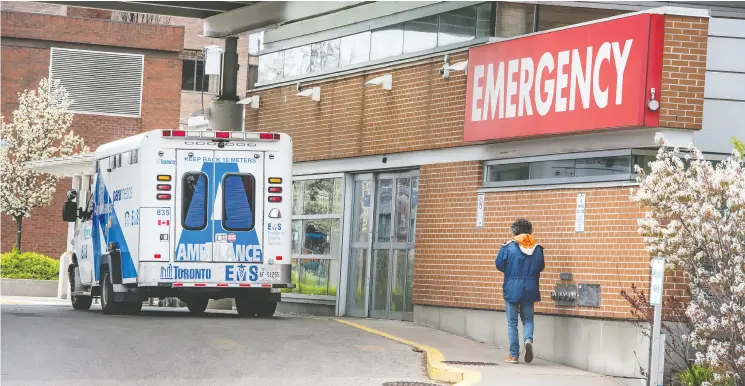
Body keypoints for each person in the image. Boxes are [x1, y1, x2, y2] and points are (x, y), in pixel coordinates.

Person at [495, 218, 545, 364]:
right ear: (530, 232)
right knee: (528, 319)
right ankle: (528, 339)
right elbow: (540, 267)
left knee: (512, 323)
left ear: (515, 231)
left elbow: (499, 264)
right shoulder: (537, 248)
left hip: (512, 288)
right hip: (530, 287)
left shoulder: (508, 246)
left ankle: (514, 355)